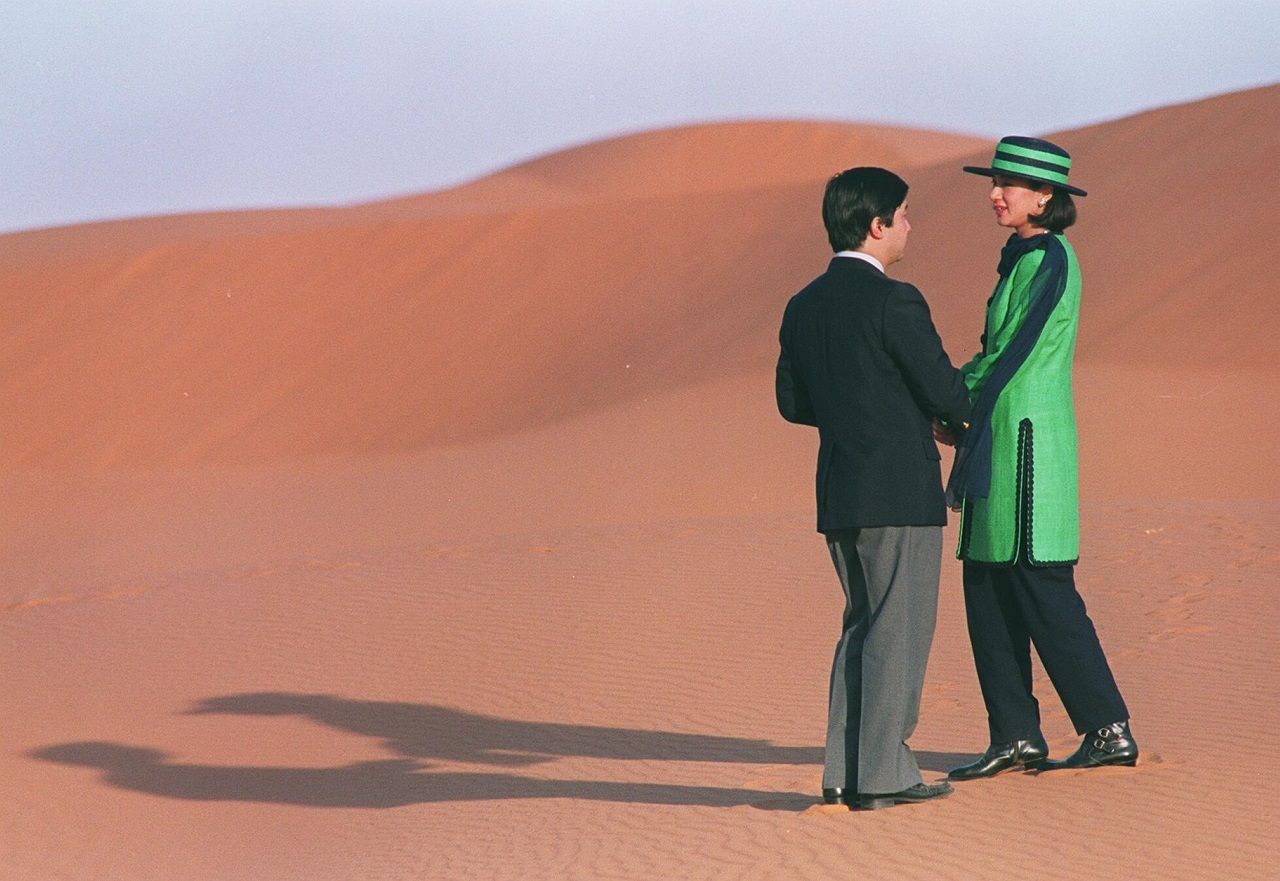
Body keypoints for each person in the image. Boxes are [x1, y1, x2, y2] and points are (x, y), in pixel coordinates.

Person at [939, 136, 1138, 780]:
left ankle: (1107, 729)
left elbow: (1011, 351)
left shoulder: (1049, 257)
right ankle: (1016, 736)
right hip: (997, 442)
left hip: (1026, 446)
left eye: (1009, 185)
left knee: (1040, 584)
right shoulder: (1022, 258)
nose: (996, 195)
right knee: (986, 586)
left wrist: (951, 399)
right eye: (994, 183)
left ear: (1045, 196)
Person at [776, 167, 971, 810]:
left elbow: (792, 402)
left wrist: (857, 411)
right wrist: (935, 417)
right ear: (876, 224)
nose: (910, 225)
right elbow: (946, 390)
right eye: (903, 214)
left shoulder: (802, 304)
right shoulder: (895, 300)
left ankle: (843, 772)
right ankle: (883, 774)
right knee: (898, 632)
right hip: (899, 491)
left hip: (841, 491)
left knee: (862, 626)